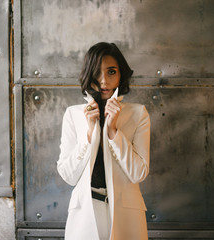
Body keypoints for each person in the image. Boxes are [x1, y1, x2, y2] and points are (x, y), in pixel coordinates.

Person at [57, 42, 150, 240]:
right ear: (88, 74)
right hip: (85, 212)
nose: (104, 80)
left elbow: (139, 173)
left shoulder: (138, 113)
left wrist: (114, 131)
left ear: (120, 75)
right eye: (97, 73)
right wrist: (90, 134)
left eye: (111, 72)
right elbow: (68, 175)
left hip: (126, 213)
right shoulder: (73, 114)